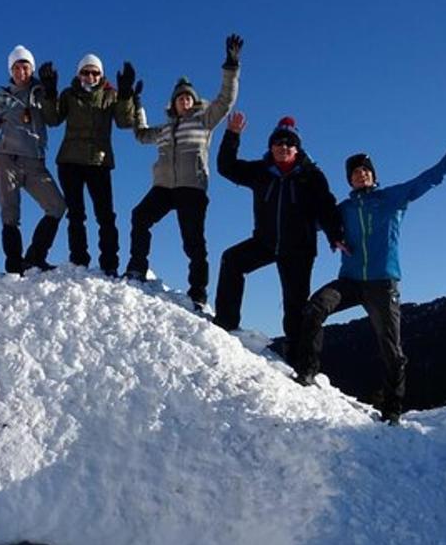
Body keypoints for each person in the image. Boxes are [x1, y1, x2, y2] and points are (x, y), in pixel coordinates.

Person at [295, 114, 446, 424]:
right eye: (355, 172)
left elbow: (432, 177)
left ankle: (393, 409)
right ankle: (307, 371)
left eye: (365, 170)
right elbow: (314, 221)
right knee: (315, 308)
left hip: (383, 284)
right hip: (349, 281)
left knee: (391, 349)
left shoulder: (392, 199)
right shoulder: (343, 210)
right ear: (350, 180)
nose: (360, 175)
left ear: (373, 175)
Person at [213, 113, 344, 365]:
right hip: (265, 242)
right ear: (271, 147)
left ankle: (299, 364)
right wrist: (232, 135)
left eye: (289, 144)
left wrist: (335, 234)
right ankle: (225, 323)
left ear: (297, 148)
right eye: (278, 143)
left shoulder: (311, 176)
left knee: (295, 307)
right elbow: (226, 167)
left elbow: (326, 206)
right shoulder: (261, 172)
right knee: (232, 260)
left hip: (299, 249)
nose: (283, 147)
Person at [125, 34, 243, 309]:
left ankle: (198, 293)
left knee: (193, 241)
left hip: (191, 188)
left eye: (188, 98)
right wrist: (136, 105)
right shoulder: (165, 129)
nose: (184, 102)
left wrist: (231, 67)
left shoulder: (204, 121)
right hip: (164, 187)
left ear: (194, 101)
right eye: (180, 99)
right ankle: (136, 268)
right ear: (173, 103)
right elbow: (141, 135)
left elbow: (226, 100)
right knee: (140, 216)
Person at [0, 45, 67, 274]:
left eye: (25, 66)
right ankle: (14, 265)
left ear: (32, 68)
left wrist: (51, 93)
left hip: (35, 161)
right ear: (11, 70)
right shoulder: (2, 98)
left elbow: (52, 119)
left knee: (57, 206)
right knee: (10, 213)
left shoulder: (41, 92)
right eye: (17, 67)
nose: (22, 71)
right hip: (6, 159)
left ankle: (35, 257)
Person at [37, 53, 141, 276]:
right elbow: (53, 119)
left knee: (105, 215)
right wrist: (50, 92)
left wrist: (125, 94)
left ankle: (109, 264)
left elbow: (125, 122)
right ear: (79, 74)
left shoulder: (110, 96)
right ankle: (79, 260)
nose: (90, 76)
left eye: (95, 72)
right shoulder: (69, 94)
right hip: (70, 161)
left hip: (99, 161)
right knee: (76, 214)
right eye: (86, 72)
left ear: (101, 75)